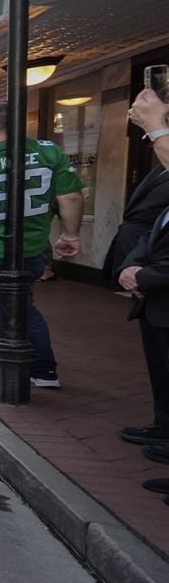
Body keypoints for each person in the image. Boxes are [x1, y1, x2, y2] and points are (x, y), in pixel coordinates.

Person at [0, 102, 85, 391]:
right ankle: (44, 370)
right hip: (31, 248)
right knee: (26, 308)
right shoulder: (48, 151)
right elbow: (70, 197)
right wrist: (71, 235)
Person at [116, 86, 169, 452]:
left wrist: (156, 126)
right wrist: (133, 264)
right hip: (152, 293)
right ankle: (164, 429)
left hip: (160, 284)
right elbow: (156, 224)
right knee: (160, 367)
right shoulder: (159, 171)